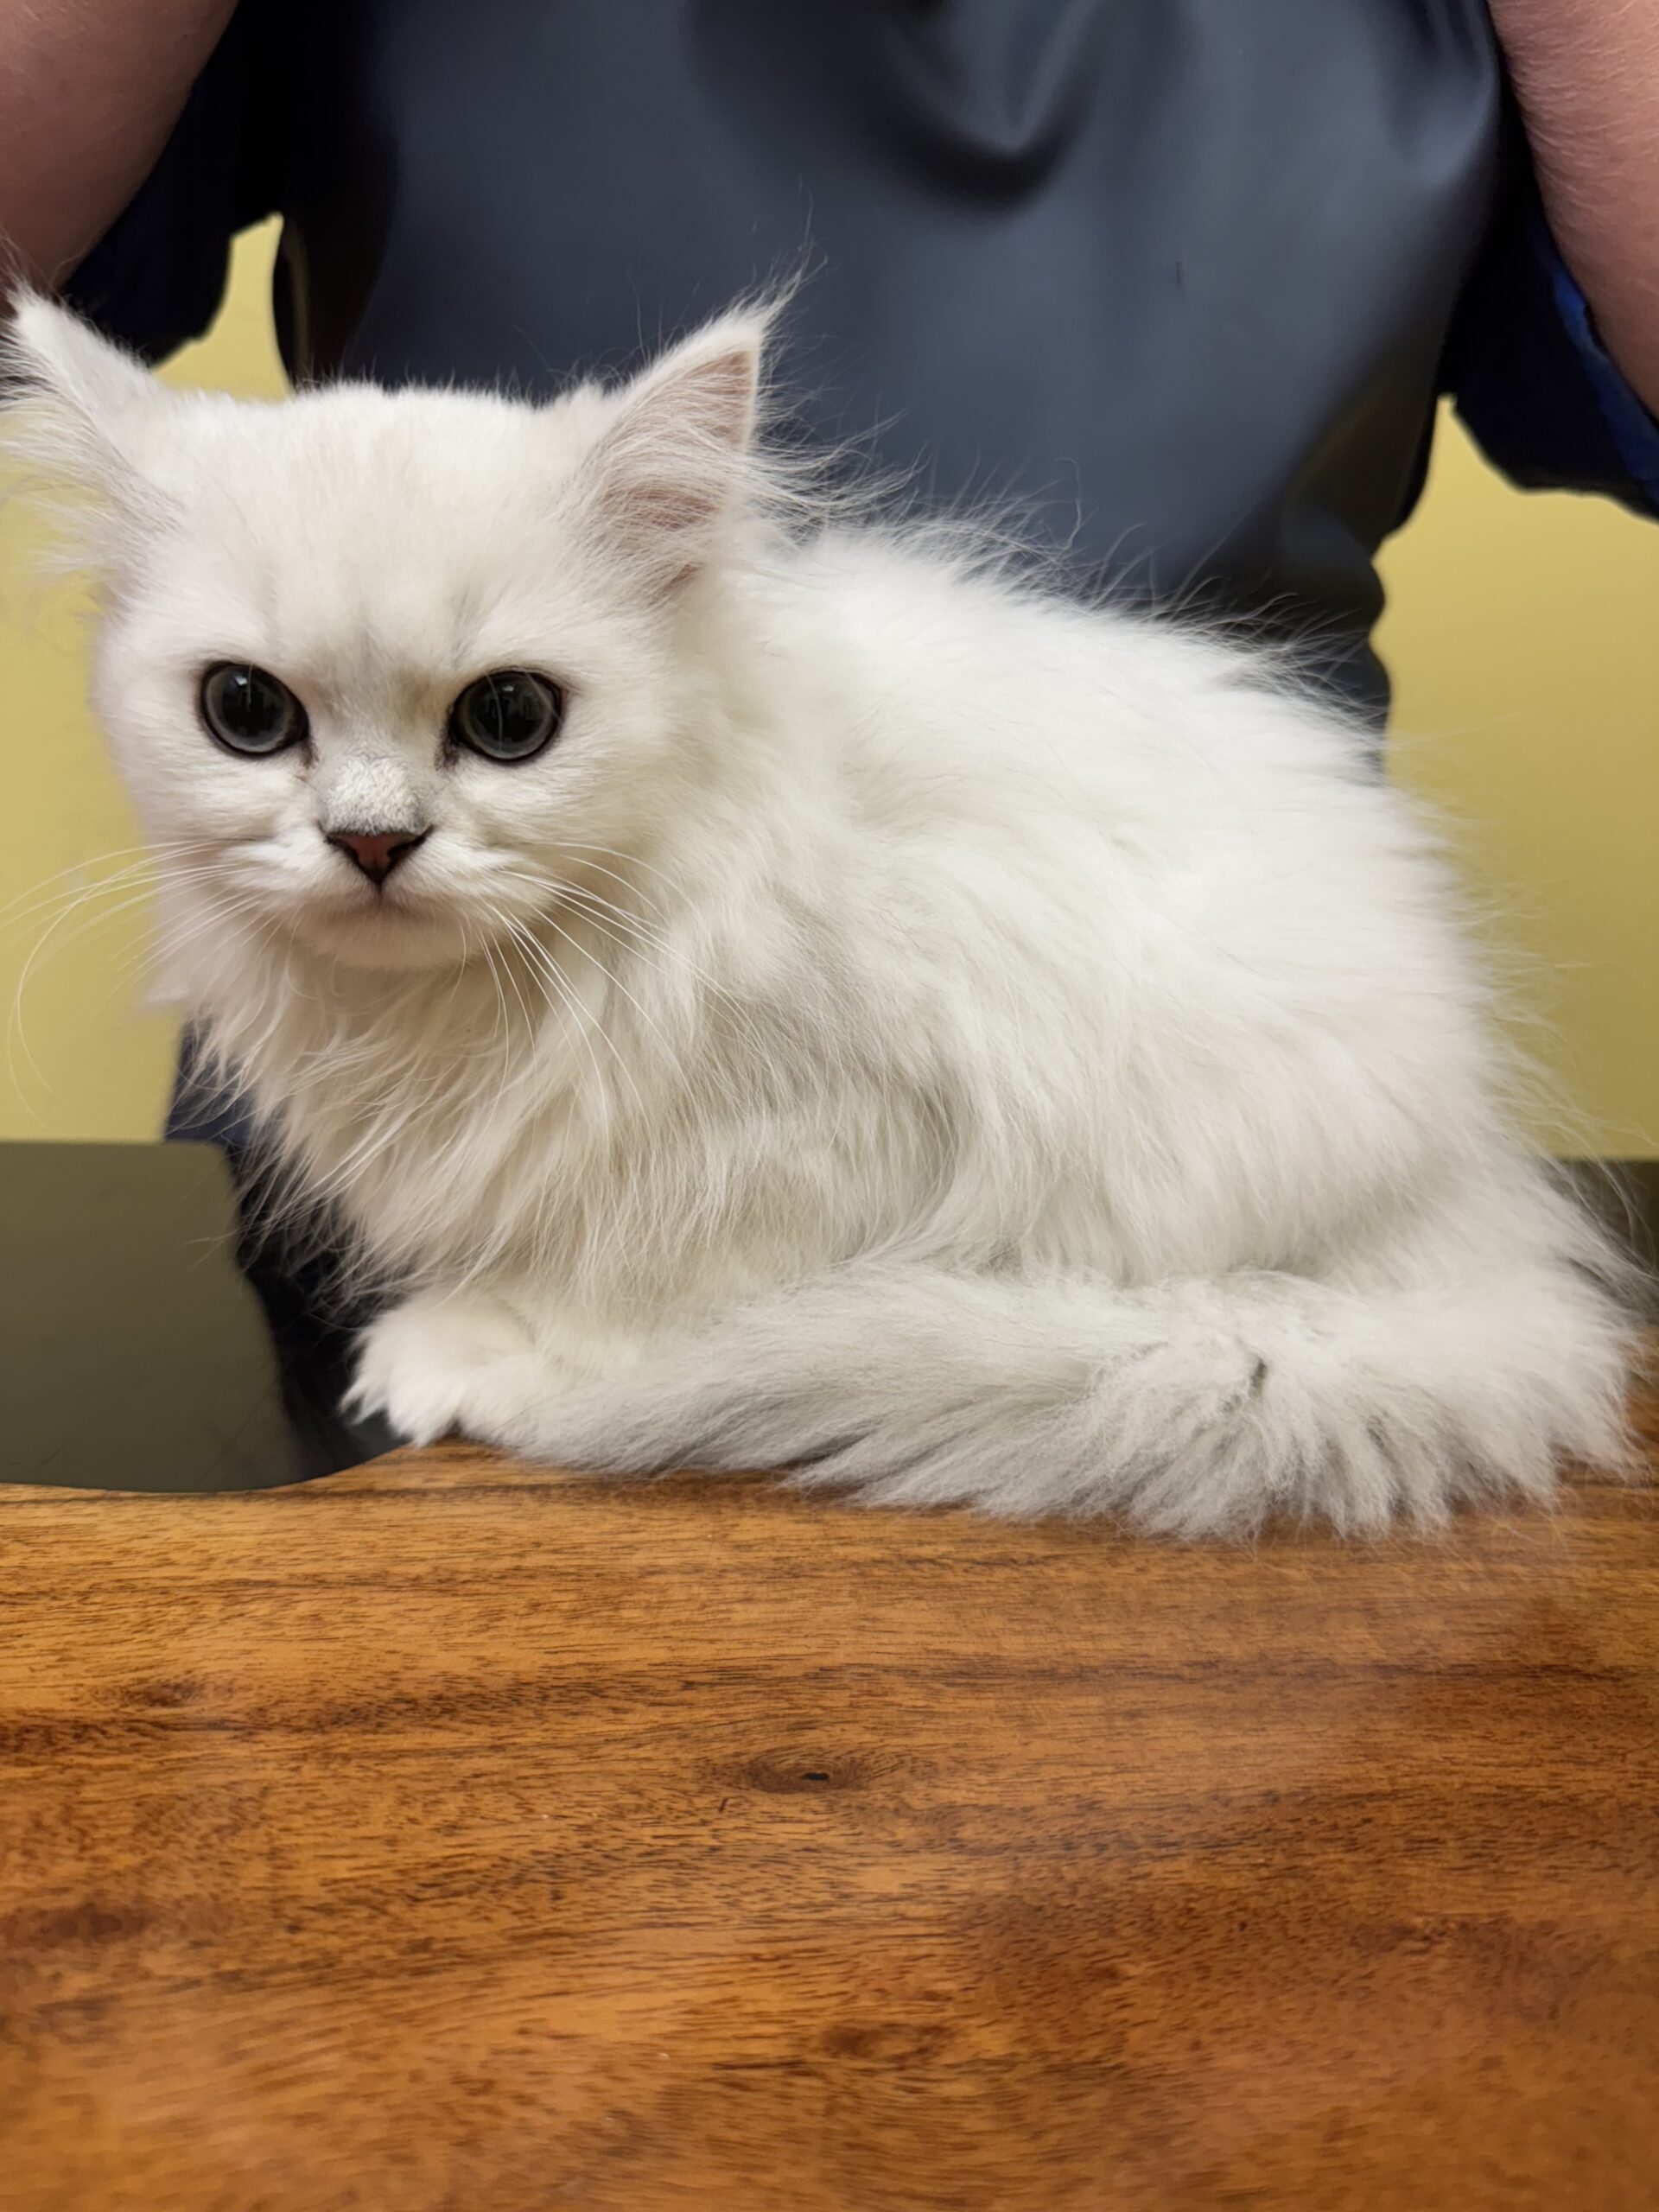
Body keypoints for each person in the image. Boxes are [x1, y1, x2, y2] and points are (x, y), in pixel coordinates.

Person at [4, 0, 1656, 1471]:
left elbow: (813, 1109)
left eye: (505, 717)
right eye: (248, 713)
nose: (369, 818)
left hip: (1252, 1155)